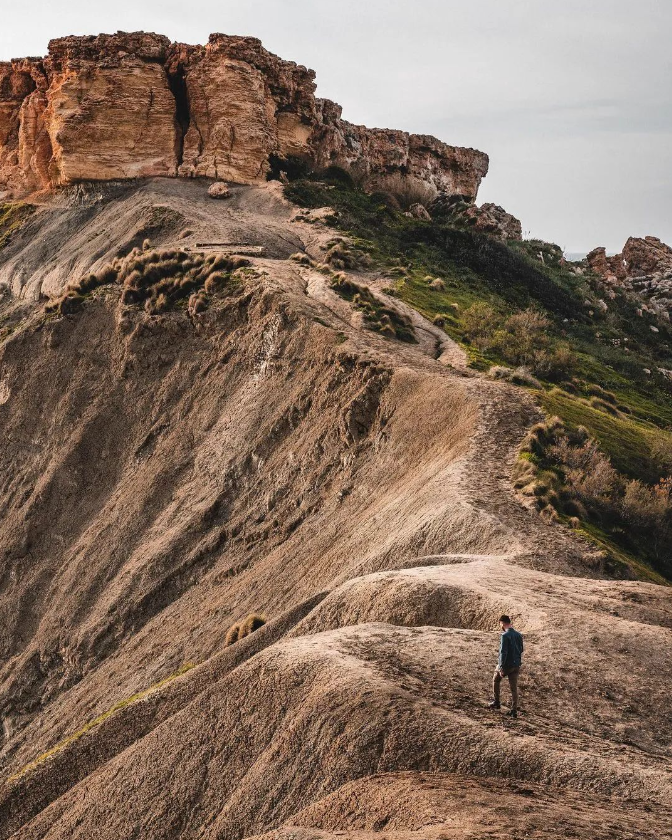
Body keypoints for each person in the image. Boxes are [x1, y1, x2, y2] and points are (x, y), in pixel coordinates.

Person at [489, 614, 523, 718]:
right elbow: (521, 649)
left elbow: (503, 652)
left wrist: (501, 667)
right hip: (516, 664)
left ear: (502, 623)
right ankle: (514, 710)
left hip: (507, 665)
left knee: (496, 679)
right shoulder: (518, 635)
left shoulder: (504, 635)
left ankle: (497, 702)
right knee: (514, 688)